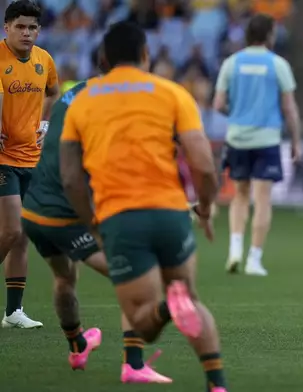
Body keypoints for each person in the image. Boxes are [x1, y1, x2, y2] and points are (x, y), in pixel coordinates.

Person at [59, 21, 227, 392]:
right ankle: (217, 383)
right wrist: (205, 208)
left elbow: (70, 178)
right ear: (146, 55)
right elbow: (202, 163)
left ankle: (169, 307)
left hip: (121, 218)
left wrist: (92, 224)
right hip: (170, 213)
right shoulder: (172, 92)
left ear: (102, 58)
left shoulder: (82, 100)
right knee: (192, 297)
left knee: (144, 323)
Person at [21, 54, 172, 382]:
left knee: (64, 278)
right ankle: (133, 365)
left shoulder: (72, 94)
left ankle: (77, 346)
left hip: (34, 210)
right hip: (65, 213)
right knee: (135, 274)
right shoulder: (111, 107)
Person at [214, 13, 302, 277]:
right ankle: (254, 259)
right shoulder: (277, 64)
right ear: (269, 35)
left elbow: (218, 104)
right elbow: (289, 107)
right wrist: (296, 140)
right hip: (266, 139)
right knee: (262, 200)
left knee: (239, 195)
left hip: (237, 138)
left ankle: (234, 250)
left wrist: (238, 114)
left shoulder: (231, 63)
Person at [0, 0, 59, 329]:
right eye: (20, 26)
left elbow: (53, 90)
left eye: (32, 27)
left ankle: (12, 313)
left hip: (31, 158)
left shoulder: (44, 60)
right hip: (3, 158)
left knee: (20, 236)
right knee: (10, 229)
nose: (26, 32)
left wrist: (45, 123)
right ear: (6, 27)